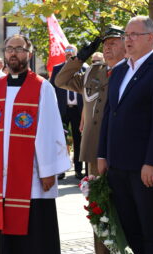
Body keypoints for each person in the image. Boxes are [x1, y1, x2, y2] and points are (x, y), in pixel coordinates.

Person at [0, 34, 70, 254]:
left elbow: (50, 129)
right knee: (6, 238)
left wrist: (48, 170)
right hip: (1, 178)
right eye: (9, 49)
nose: (13, 53)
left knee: (35, 236)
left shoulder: (42, 88)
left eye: (19, 49)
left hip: (32, 178)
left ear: (29, 54)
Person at [97, 16, 153, 254]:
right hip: (117, 164)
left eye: (133, 35)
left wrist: (152, 161)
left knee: (149, 227)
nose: (127, 40)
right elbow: (110, 113)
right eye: (126, 35)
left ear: (150, 38)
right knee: (128, 226)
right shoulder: (120, 70)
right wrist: (102, 153)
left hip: (144, 166)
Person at [55, 25, 127, 254]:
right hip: (93, 152)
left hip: (119, 151)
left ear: (126, 44)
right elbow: (61, 80)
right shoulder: (92, 72)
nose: (108, 48)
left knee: (121, 207)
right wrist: (81, 57)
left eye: (113, 42)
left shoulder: (130, 72)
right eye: (104, 44)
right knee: (98, 206)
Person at [50, 44, 87, 179]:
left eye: (71, 51)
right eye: (66, 51)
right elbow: (52, 89)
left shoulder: (84, 68)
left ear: (76, 53)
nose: (68, 53)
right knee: (60, 140)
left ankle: (78, 169)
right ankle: (60, 169)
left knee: (78, 140)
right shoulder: (57, 69)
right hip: (62, 109)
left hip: (78, 110)